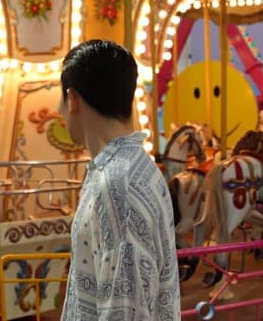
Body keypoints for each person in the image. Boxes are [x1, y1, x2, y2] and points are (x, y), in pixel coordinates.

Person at [59, 40, 181, 320]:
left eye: (61, 99)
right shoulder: (135, 169)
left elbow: (125, 308)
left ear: (73, 99)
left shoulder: (118, 186)